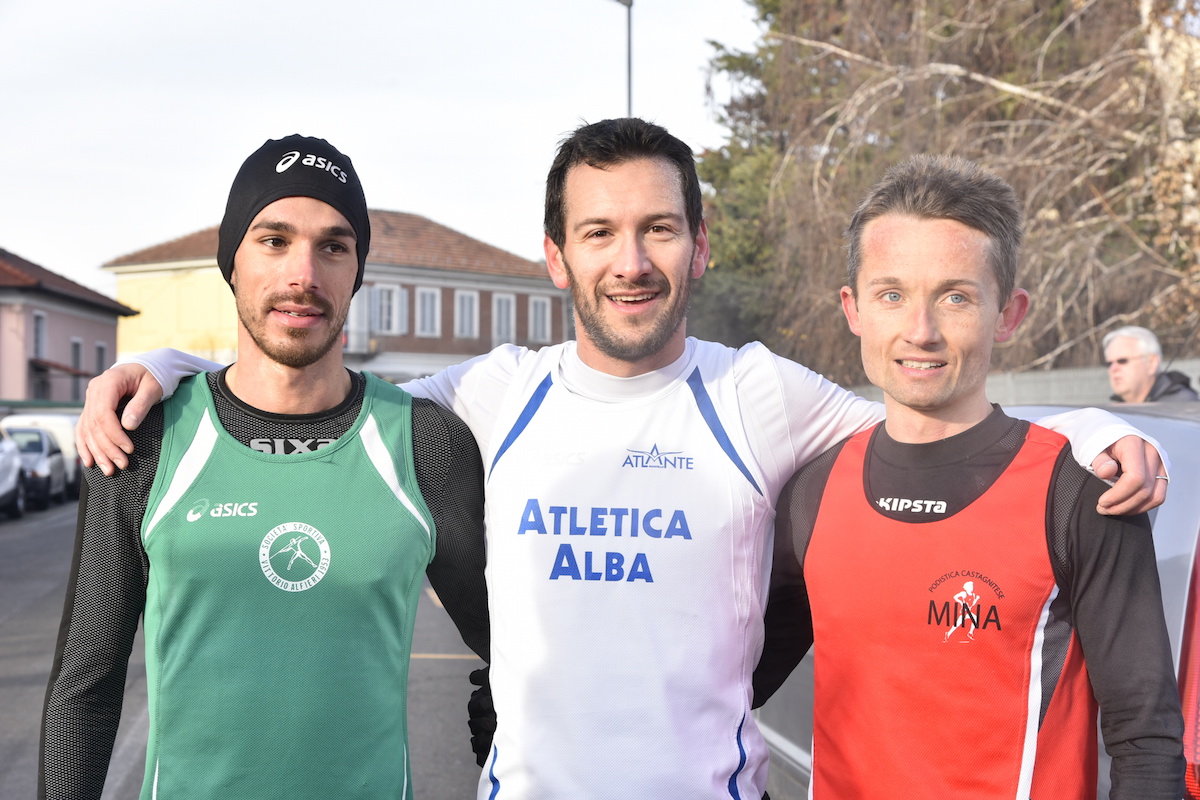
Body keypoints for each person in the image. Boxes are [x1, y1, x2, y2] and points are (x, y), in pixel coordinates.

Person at [74, 120, 1170, 799]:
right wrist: (170, 361)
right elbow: (312, 397)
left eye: (656, 229)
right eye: (598, 231)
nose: (630, 260)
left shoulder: (761, 392)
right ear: (558, 255)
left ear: (698, 245)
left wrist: (1092, 428)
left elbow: (936, 409)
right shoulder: (491, 393)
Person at [38, 135, 489, 800]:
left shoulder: (425, 444)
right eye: (274, 240)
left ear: (357, 269)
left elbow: (512, 641)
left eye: (333, 246)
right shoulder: (146, 435)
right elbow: (86, 684)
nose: (302, 273)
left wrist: (513, 702)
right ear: (232, 261)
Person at [755, 156, 1184, 798]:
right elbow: (727, 689)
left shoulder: (1078, 493)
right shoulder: (810, 494)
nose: (920, 331)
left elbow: (1147, 737)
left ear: (1008, 314)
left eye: (955, 297)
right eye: (892, 294)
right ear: (854, 309)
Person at [1104, 325, 1199, 403]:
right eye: (1109, 363)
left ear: (1152, 363)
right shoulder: (1113, 413)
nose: (1113, 369)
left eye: (1123, 361)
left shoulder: (1182, 405)